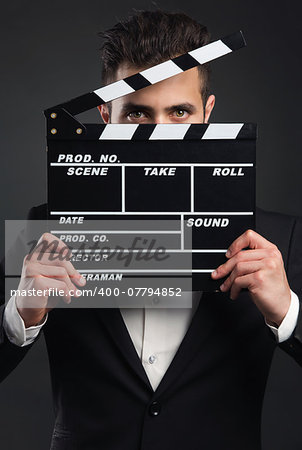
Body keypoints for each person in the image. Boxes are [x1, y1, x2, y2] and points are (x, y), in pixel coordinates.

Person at [1, 9, 302, 450]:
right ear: (105, 116)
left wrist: (288, 313)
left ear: (207, 114)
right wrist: (22, 314)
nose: (160, 135)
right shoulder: (48, 229)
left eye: (179, 111)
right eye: (138, 115)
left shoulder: (276, 238)